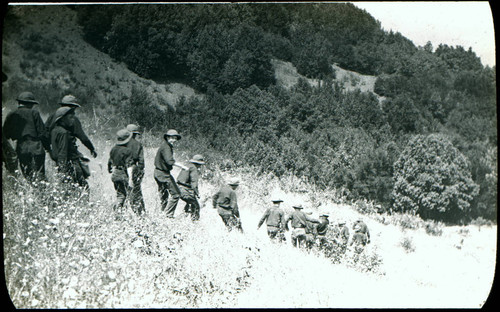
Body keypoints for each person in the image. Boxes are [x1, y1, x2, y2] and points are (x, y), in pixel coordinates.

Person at [3, 92, 51, 182]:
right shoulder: (34, 113)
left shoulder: (12, 114)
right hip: (36, 145)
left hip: (21, 146)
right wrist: (48, 148)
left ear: (19, 102)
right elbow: (42, 133)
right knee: (40, 173)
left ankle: (30, 191)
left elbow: (5, 134)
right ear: (31, 103)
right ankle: (42, 192)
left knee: (27, 173)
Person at [50, 106, 91, 189]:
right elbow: (63, 151)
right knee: (83, 187)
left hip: (62, 164)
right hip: (71, 163)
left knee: (68, 187)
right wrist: (63, 169)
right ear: (62, 119)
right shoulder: (64, 133)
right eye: (70, 117)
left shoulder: (54, 130)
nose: (73, 119)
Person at [46, 95, 97, 159]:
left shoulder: (52, 116)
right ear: (72, 107)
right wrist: (91, 148)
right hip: (68, 152)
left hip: (54, 151)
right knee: (84, 164)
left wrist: (49, 149)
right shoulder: (72, 119)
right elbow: (82, 137)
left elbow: (45, 133)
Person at [154, 129, 188, 218]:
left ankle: (162, 213)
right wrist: (182, 166)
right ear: (167, 137)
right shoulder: (166, 147)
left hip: (158, 173)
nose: (174, 140)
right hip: (163, 174)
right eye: (172, 138)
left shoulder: (165, 146)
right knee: (176, 194)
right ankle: (168, 215)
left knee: (164, 195)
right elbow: (169, 161)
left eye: (175, 138)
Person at [107, 129, 134, 217]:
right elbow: (129, 165)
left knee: (119, 193)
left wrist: (110, 169)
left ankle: (118, 211)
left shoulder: (114, 149)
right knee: (124, 195)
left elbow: (110, 162)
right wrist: (130, 179)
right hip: (123, 173)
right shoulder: (128, 151)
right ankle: (119, 212)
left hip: (115, 173)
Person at [176, 154, 205, 221]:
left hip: (178, 188)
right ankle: (194, 222)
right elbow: (194, 183)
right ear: (198, 163)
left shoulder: (187, 166)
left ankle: (182, 219)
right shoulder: (193, 169)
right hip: (185, 190)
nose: (200, 166)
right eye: (200, 164)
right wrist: (197, 193)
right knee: (196, 206)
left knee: (189, 205)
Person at [126, 124, 145, 215]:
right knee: (136, 192)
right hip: (133, 168)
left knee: (123, 192)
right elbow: (141, 162)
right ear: (135, 134)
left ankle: (121, 212)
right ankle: (140, 213)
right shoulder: (138, 144)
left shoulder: (121, 143)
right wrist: (140, 173)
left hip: (122, 169)